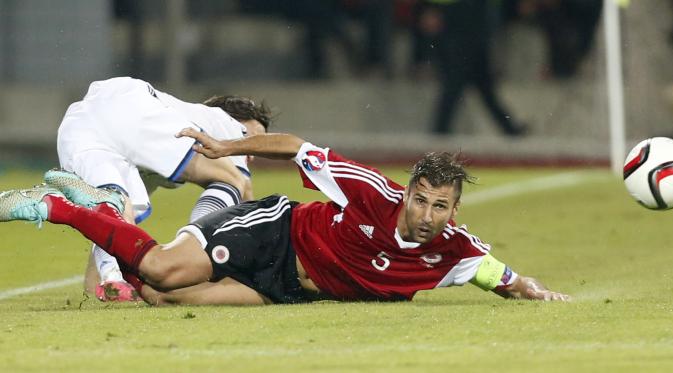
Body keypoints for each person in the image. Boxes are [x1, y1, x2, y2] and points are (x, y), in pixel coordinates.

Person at [0, 131, 570, 305]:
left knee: (159, 300)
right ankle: (66, 209)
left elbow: (498, 273)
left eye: (438, 206)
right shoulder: (372, 190)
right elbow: (298, 147)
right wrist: (224, 149)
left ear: (452, 210)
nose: (424, 214)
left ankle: (106, 217)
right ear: (410, 191)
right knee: (164, 271)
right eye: (420, 198)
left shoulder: (452, 246)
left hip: (289, 291)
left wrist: (535, 291)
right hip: (276, 232)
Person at [55, 76, 271, 301]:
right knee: (232, 180)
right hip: (130, 102)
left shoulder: (156, 149)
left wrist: (93, 283)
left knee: (116, 211)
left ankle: (110, 278)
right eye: (255, 138)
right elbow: (246, 196)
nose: (253, 152)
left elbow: (114, 230)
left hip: (78, 125)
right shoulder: (223, 122)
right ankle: (193, 250)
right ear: (236, 120)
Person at [416, 0, 527, 136]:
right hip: (460, 26)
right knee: (458, 84)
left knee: (478, 86)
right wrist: (430, 8)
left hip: (474, 27)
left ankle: (509, 128)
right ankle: (440, 130)